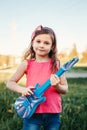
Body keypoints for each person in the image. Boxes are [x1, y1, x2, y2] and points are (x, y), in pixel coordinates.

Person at [7, 25, 68, 130]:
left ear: (52, 46)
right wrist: (22, 89)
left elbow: (65, 89)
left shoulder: (57, 64)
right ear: (32, 43)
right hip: (32, 110)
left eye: (46, 43)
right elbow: (10, 82)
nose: (41, 45)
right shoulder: (26, 64)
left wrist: (57, 86)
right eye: (38, 41)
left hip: (53, 112)